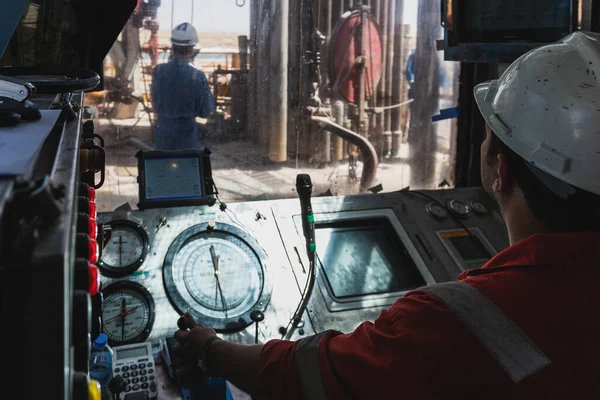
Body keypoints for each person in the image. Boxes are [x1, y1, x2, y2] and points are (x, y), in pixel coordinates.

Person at [173, 31, 600, 399]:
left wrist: (210, 349)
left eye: (489, 135)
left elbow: (305, 376)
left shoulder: (450, 322)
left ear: (501, 170)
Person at [151, 22, 214, 151]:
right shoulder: (198, 76)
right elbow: (206, 111)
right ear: (191, 50)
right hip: (188, 137)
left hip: (162, 136)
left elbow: (155, 101)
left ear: (172, 47)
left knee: (162, 168)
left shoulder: (158, 71)